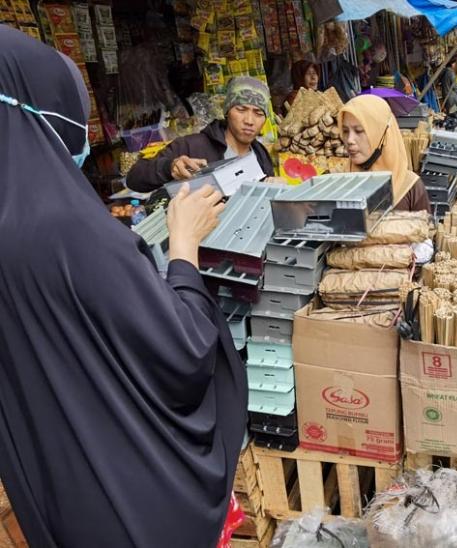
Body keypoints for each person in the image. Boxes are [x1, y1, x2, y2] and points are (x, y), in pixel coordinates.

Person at [0, 27, 247, 547]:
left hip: (55, 495)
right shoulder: (69, 228)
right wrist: (183, 246)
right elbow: (182, 350)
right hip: (132, 502)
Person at [127, 76, 275, 192]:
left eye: (258, 113)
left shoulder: (261, 155)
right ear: (227, 112)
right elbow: (134, 179)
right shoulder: (192, 146)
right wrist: (168, 168)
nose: (249, 120)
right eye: (241, 110)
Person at [339, 94, 431, 213]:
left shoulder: (410, 187)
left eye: (359, 131)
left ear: (383, 134)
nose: (350, 140)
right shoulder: (339, 185)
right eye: (345, 131)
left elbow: (426, 229)